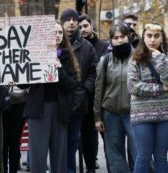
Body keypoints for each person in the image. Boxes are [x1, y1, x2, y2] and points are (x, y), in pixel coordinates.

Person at [18, 21, 81, 173]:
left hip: (59, 110)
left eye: (60, 33)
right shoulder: (34, 55)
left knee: (59, 154)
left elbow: (71, 85)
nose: (58, 35)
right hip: (38, 110)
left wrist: (59, 69)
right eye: (54, 32)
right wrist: (17, 73)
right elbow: (23, 84)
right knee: (38, 154)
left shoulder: (67, 56)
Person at [94, 23, 137, 173]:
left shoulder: (139, 58)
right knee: (114, 156)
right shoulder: (105, 60)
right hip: (110, 114)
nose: (119, 40)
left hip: (134, 113)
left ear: (129, 37)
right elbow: (98, 90)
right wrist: (97, 117)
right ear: (111, 40)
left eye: (122, 37)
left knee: (138, 153)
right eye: (115, 38)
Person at [60, 8, 97, 173]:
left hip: (78, 101)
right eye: (67, 19)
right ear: (62, 23)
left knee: (73, 139)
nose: (72, 22)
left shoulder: (87, 46)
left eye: (74, 19)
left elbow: (94, 72)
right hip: (57, 100)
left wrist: (85, 89)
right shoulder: (54, 43)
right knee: (59, 141)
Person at [127, 23, 168, 173]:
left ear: (162, 38)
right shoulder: (135, 60)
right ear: (143, 38)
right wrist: (160, 88)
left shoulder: (165, 58)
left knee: (161, 156)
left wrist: (161, 60)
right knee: (143, 156)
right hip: (142, 114)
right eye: (149, 36)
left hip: (165, 114)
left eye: (157, 36)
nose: (152, 40)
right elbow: (133, 87)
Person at [78, 15, 109, 173]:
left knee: (97, 136)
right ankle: (89, 164)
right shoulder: (74, 45)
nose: (82, 29)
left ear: (91, 26)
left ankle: (94, 164)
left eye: (85, 26)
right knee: (84, 135)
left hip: (99, 98)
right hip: (80, 98)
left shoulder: (104, 46)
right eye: (80, 26)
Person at [2, 86, 27, 173]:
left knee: (14, 142)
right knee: (4, 142)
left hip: (20, 101)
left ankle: (13, 170)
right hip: (3, 101)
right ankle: (4, 170)